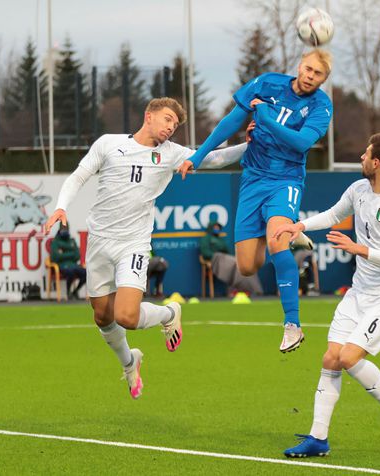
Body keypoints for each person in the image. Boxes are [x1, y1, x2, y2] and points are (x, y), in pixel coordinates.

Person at [44, 97, 245, 400]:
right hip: (99, 241)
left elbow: (214, 159)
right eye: (166, 119)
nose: (170, 128)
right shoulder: (109, 144)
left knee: (126, 315)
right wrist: (61, 207)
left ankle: (168, 313)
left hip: (134, 244)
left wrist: (253, 144)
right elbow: (79, 176)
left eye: (175, 125)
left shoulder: (172, 154)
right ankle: (129, 361)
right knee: (102, 316)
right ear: (148, 115)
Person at [178, 49, 333, 353]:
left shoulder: (321, 106)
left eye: (318, 74)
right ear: (299, 65)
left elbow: (302, 143)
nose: (310, 76)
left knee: (276, 240)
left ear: (323, 79)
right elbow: (229, 122)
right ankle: (289, 231)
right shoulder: (268, 83)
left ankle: (292, 325)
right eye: (308, 69)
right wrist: (197, 157)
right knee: (248, 266)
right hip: (252, 179)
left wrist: (264, 118)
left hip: (285, 180)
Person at [273, 133, 380, 456]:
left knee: (349, 358)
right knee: (331, 359)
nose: (361, 158)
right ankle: (318, 438)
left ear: (376, 163)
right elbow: (334, 214)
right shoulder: (359, 189)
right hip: (359, 292)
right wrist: (300, 227)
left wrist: (358, 249)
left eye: (365, 154)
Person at [199, 220, 263, 296]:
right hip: (216, 259)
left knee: (244, 264)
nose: (217, 229)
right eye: (215, 227)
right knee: (236, 264)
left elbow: (227, 251)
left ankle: (254, 290)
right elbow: (205, 252)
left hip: (225, 258)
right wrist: (216, 256)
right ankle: (241, 289)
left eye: (218, 227)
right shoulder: (206, 238)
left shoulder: (220, 239)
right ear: (210, 228)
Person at [49, 224, 87, 300]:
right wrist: (71, 253)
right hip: (62, 266)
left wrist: (63, 253)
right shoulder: (55, 242)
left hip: (73, 265)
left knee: (86, 273)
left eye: (66, 228)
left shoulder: (72, 241)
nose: (65, 230)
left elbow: (77, 256)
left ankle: (75, 291)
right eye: (63, 228)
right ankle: (68, 291)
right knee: (70, 272)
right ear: (59, 229)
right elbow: (56, 257)